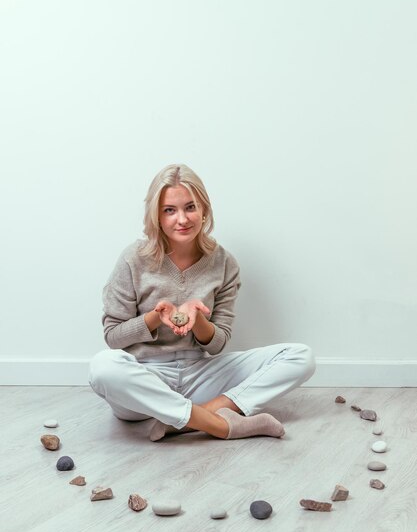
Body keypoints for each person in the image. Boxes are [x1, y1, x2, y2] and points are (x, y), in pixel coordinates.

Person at [89, 164, 315, 441]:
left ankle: (188, 419)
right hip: (146, 380)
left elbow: (219, 342)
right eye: (169, 210)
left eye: (190, 207)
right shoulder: (133, 259)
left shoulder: (224, 263)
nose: (182, 219)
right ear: (156, 216)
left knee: (300, 356)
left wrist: (199, 323)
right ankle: (222, 425)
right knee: (103, 366)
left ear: (204, 210)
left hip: (200, 375)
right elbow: (113, 337)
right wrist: (154, 318)